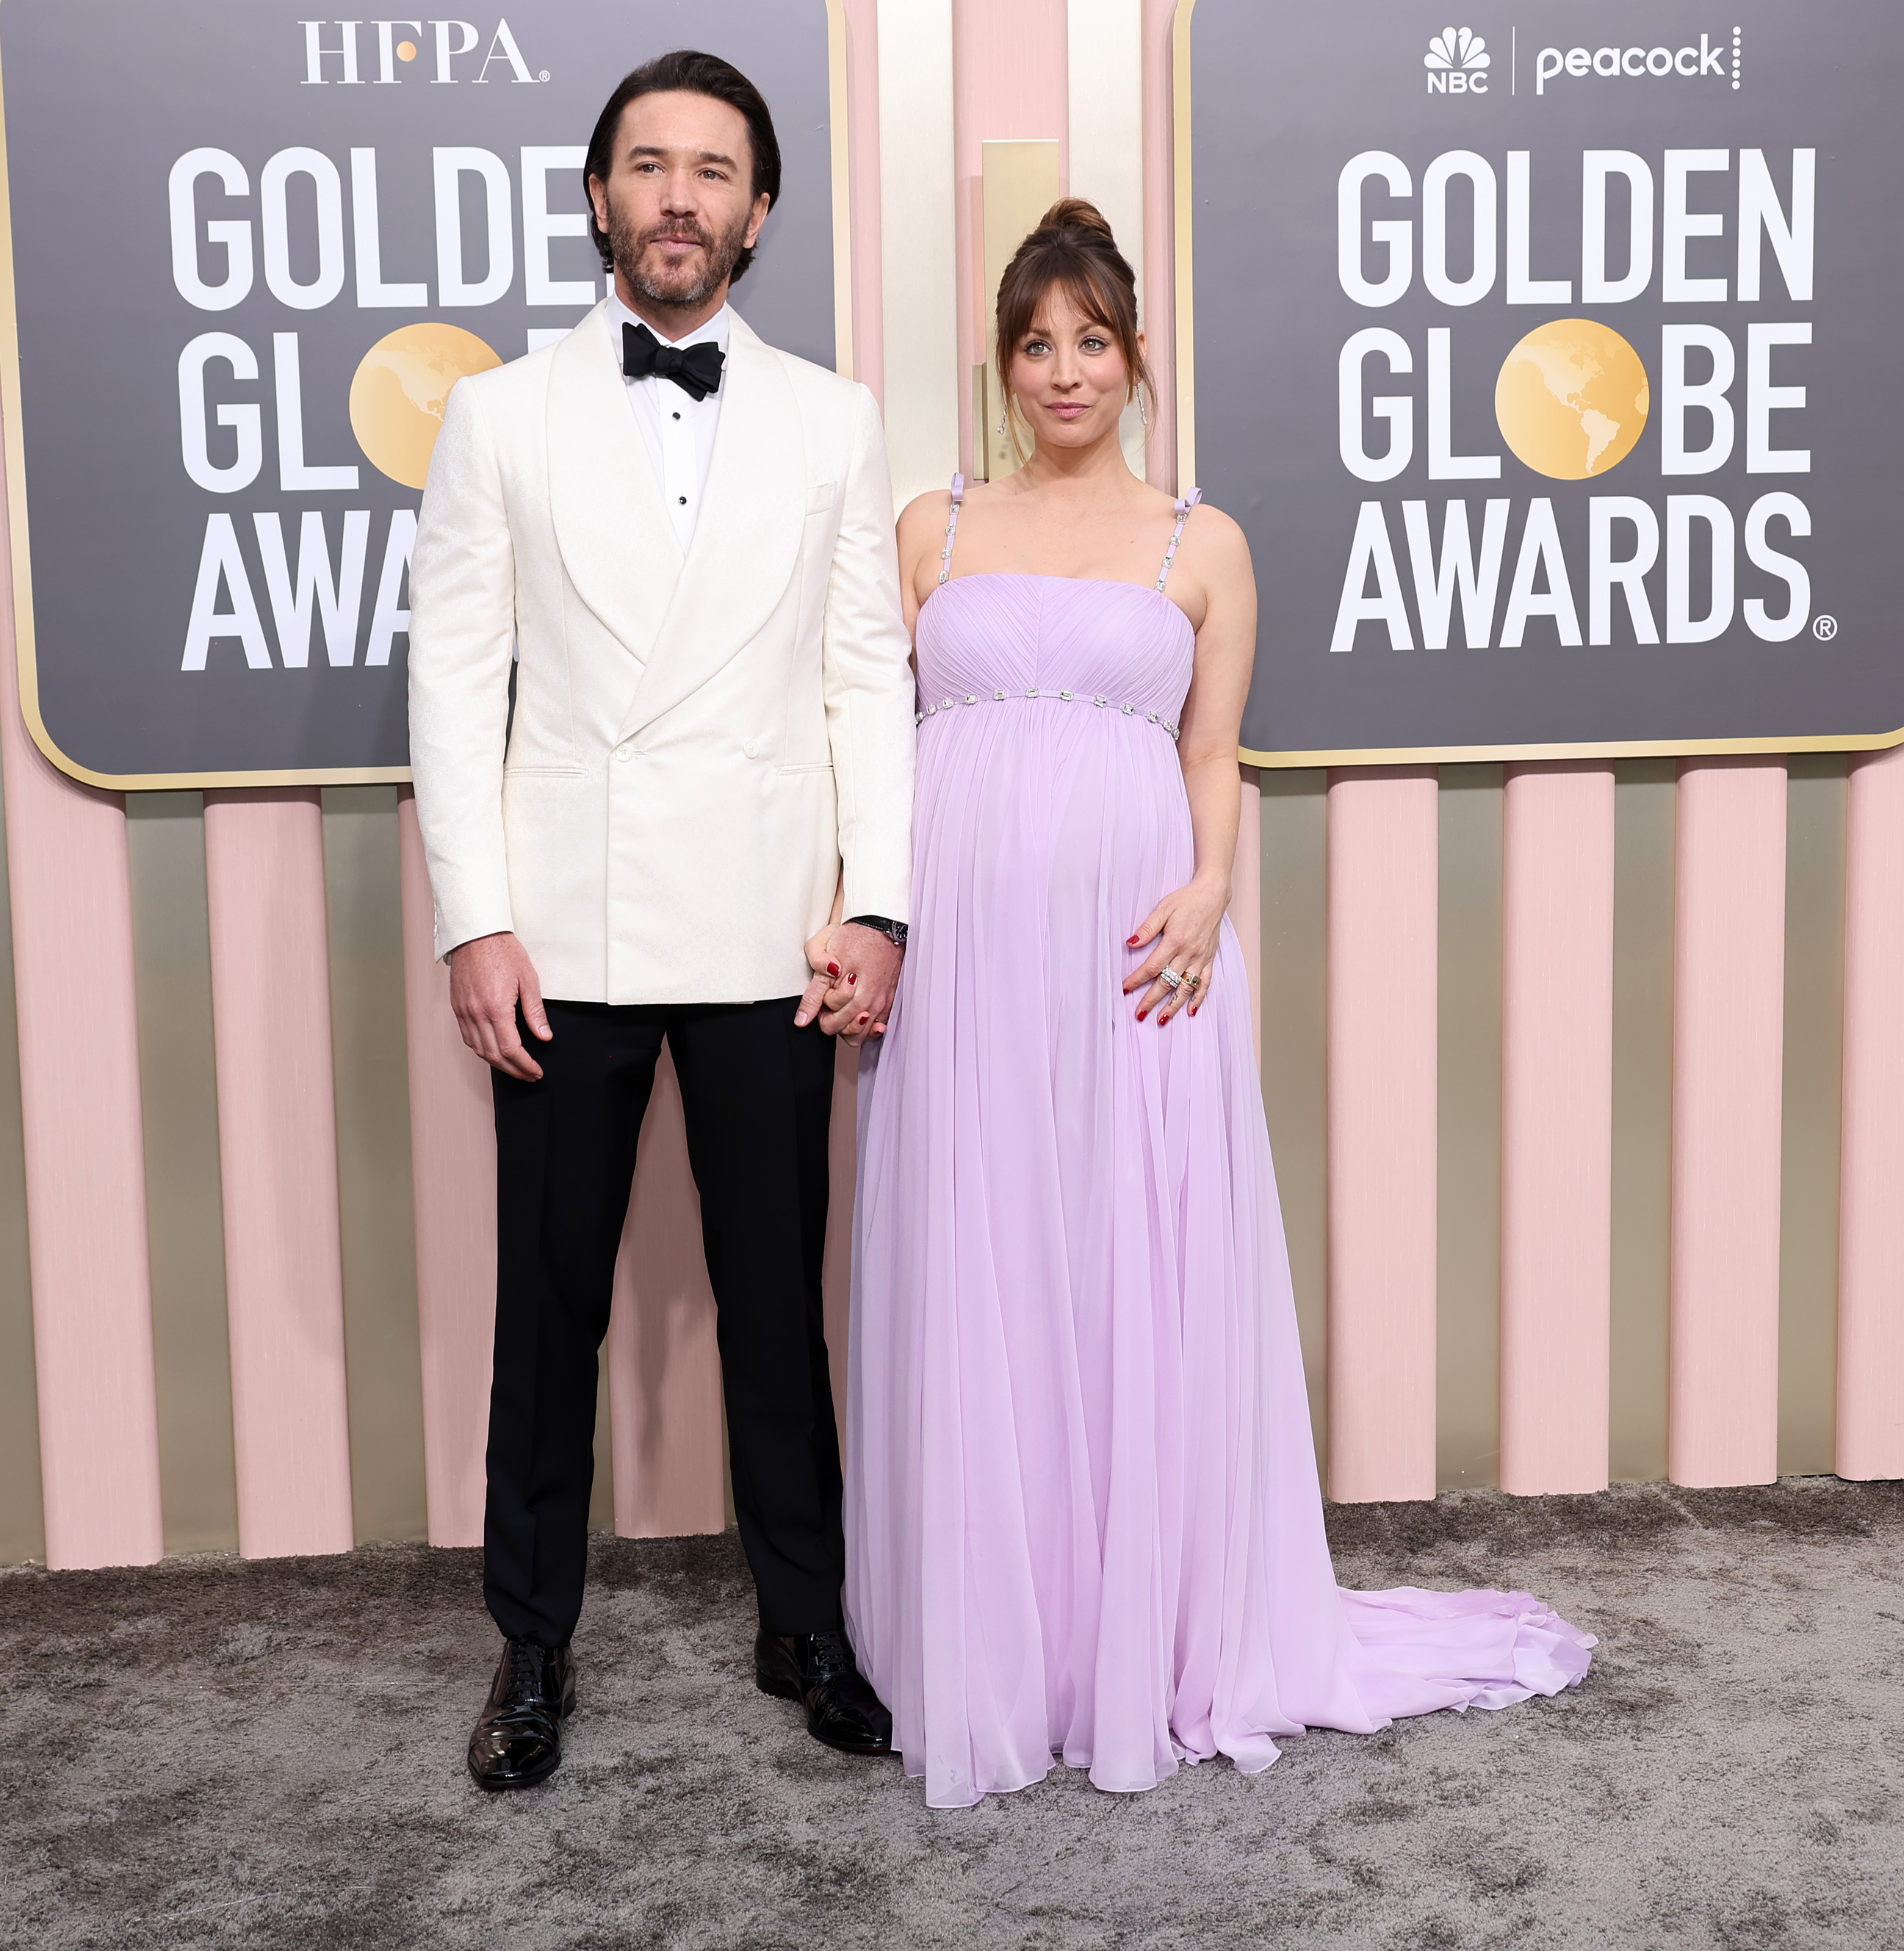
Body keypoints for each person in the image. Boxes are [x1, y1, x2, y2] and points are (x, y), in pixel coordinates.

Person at [837, 201, 1596, 1809]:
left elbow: (1211, 753)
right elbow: (864, 741)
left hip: (1139, 954)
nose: (1063, 370)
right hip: (963, 965)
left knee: (1127, 1266)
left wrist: (1210, 887)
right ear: (1001, 360)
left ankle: (1147, 1635)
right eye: (1035, 342)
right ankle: (1001, 1645)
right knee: (984, 1262)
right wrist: (864, 913)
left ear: (1133, 357)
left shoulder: (1205, 540)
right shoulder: (930, 526)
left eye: (1091, 340)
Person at [408, 48, 913, 1792]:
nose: (681, 195)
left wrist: (881, 906)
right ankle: (531, 1641)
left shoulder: (833, 419)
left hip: (776, 933)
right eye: (650, 164)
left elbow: (867, 680)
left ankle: (809, 1618)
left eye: (714, 169)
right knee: (546, 1314)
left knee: (783, 1305)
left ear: (759, 209)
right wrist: (477, 921)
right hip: (570, 938)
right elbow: (455, 683)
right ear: (601, 195)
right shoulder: (497, 416)